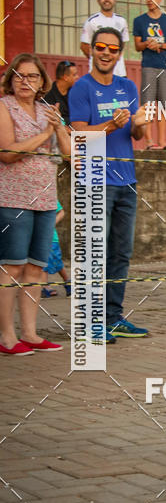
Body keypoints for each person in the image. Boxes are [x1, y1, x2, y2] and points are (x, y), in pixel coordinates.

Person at [69, 27, 151, 342]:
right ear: (91, 50)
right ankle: (89, 322)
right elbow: (78, 136)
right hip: (95, 182)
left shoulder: (128, 86)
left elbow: (136, 135)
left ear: (120, 54)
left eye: (113, 49)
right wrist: (110, 125)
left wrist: (140, 125)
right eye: (101, 47)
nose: (106, 53)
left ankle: (112, 318)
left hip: (127, 181)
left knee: (120, 254)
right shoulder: (81, 88)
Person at [0, 53, 70, 355]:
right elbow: (7, 152)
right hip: (13, 198)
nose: (25, 81)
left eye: (32, 76)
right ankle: (7, 337)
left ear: (42, 81)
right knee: (12, 267)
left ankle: (29, 333)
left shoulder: (48, 111)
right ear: (10, 80)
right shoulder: (4, 107)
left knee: (35, 269)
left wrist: (58, 129)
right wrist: (44, 135)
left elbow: (69, 154)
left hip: (45, 200)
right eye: (19, 75)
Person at [133, 0, 166, 150]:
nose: (150, 0)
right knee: (147, 105)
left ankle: (162, 142)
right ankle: (149, 142)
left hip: (165, 66)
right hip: (148, 65)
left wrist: (160, 45)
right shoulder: (139, 21)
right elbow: (137, 46)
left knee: (163, 106)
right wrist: (148, 43)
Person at [81, 0, 129, 77]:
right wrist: (99, 59)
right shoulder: (91, 21)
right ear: (98, 1)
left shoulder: (122, 21)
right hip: (98, 72)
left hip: (119, 72)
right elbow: (84, 46)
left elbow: (122, 44)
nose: (106, 0)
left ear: (114, 1)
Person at [42, 200, 70, 297]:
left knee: (56, 262)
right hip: (36, 238)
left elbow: (61, 212)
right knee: (42, 262)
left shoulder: (48, 196)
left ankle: (67, 282)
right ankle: (46, 287)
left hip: (50, 238)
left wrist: (52, 223)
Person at [42, 60, 78, 124]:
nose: (77, 77)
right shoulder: (48, 94)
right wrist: (64, 126)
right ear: (65, 77)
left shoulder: (75, 92)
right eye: (74, 75)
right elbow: (50, 119)